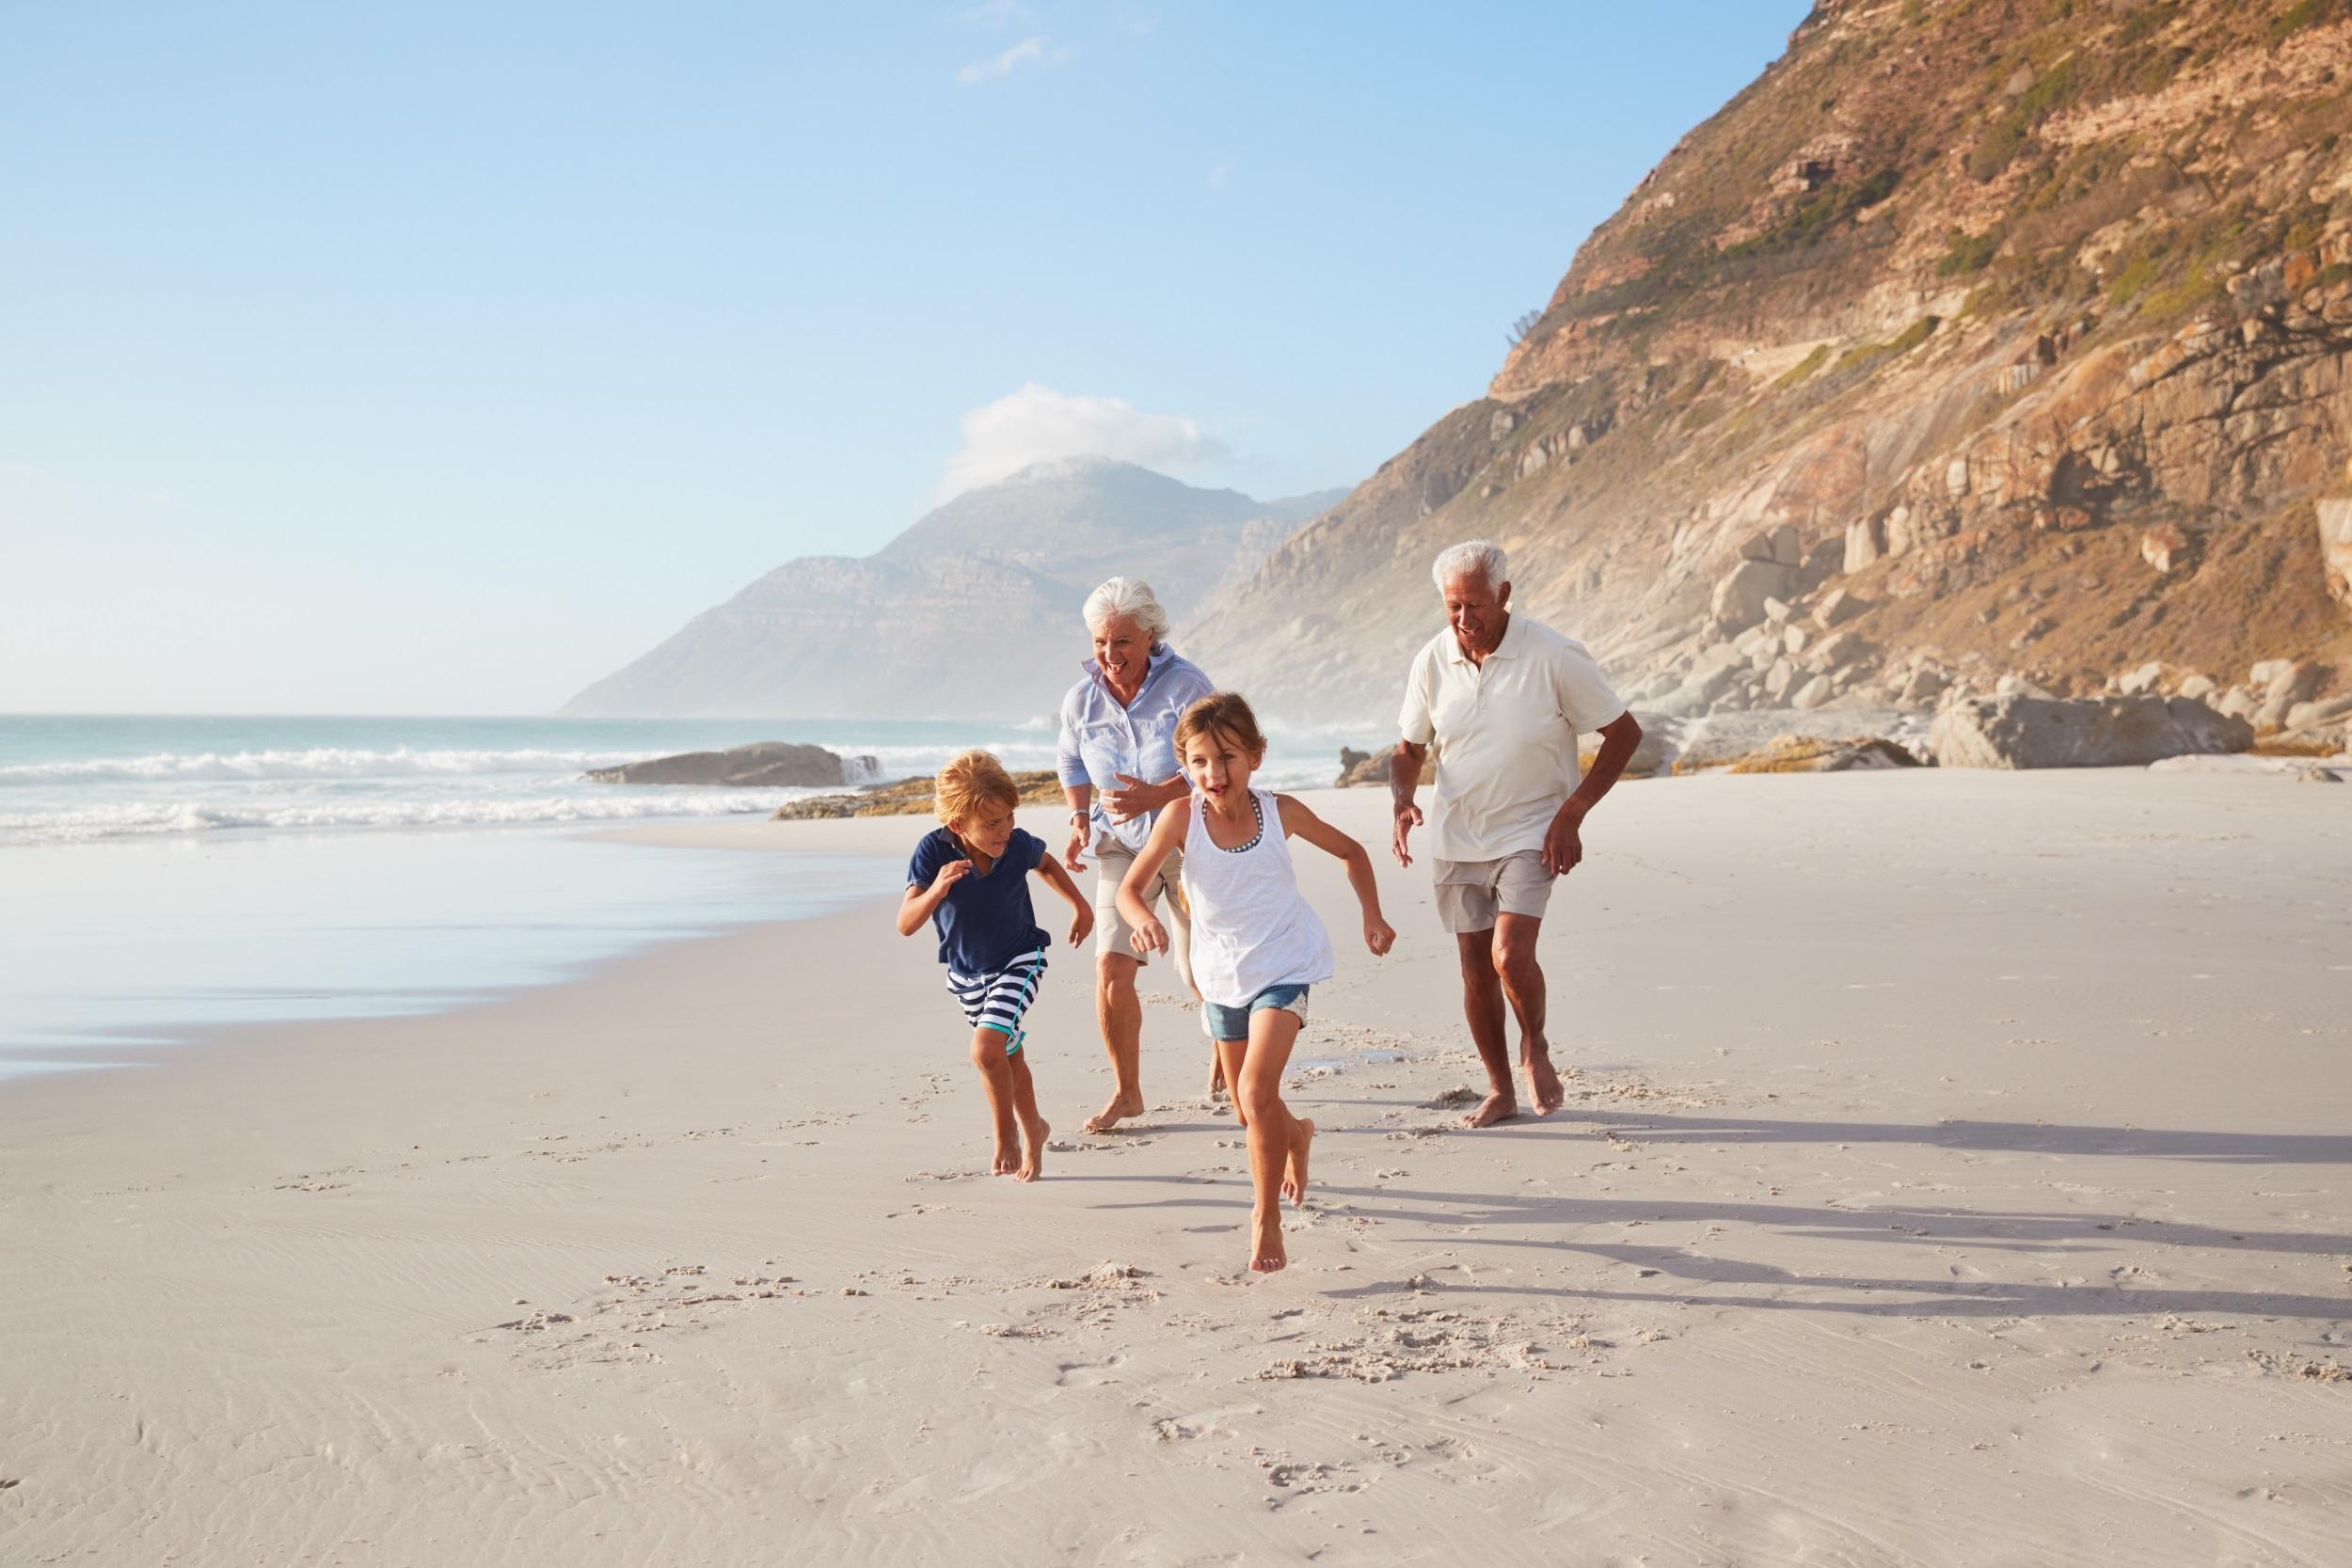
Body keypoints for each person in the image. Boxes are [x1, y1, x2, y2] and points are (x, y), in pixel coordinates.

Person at [1120, 692, 1395, 1274]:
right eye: (1198, 762)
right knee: (1255, 1111)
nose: (1214, 773)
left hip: (1284, 964)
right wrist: (1143, 917)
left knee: (1252, 1090)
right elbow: (1130, 888)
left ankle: (1265, 1217)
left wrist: (1372, 915)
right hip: (1220, 974)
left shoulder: (1281, 812)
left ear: (1255, 756)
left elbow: (1352, 851)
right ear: (1184, 767)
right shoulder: (1179, 818)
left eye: (1227, 757)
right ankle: (1295, 1134)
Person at [1390, 540, 1645, 1130]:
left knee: (1509, 955)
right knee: (1475, 968)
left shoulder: (1554, 654)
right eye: (1452, 607)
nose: (1464, 620)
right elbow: (1409, 748)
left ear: (1504, 596)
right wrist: (1402, 803)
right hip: (1457, 834)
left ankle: (1536, 1044)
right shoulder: (1432, 659)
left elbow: (1624, 734)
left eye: (1475, 605)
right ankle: (1500, 1088)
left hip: (1533, 828)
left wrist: (1571, 813)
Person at [1055, 577, 1216, 1132]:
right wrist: (1078, 818)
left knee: (1202, 968)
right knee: (1111, 967)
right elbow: (1072, 764)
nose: (1109, 655)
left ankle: (1228, 1047)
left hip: (1189, 837)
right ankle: (1127, 1092)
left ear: (1150, 634)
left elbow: (1216, 759)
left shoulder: (1187, 686)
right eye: (1101, 642)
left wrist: (1161, 793)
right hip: (1120, 843)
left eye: (1122, 642)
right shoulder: (1081, 699)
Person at [898, 750, 1093, 1181]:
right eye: (991, 824)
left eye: (1008, 818)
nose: (1004, 830)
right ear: (957, 825)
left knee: (986, 1050)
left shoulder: (1015, 844)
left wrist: (1079, 905)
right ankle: (1035, 1129)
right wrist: (938, 889)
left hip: (1020, 957)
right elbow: (905, 923)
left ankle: (1006, 1133)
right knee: (1008, 1055)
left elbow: (1044, 863)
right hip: (966, 974)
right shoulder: (932, 851)